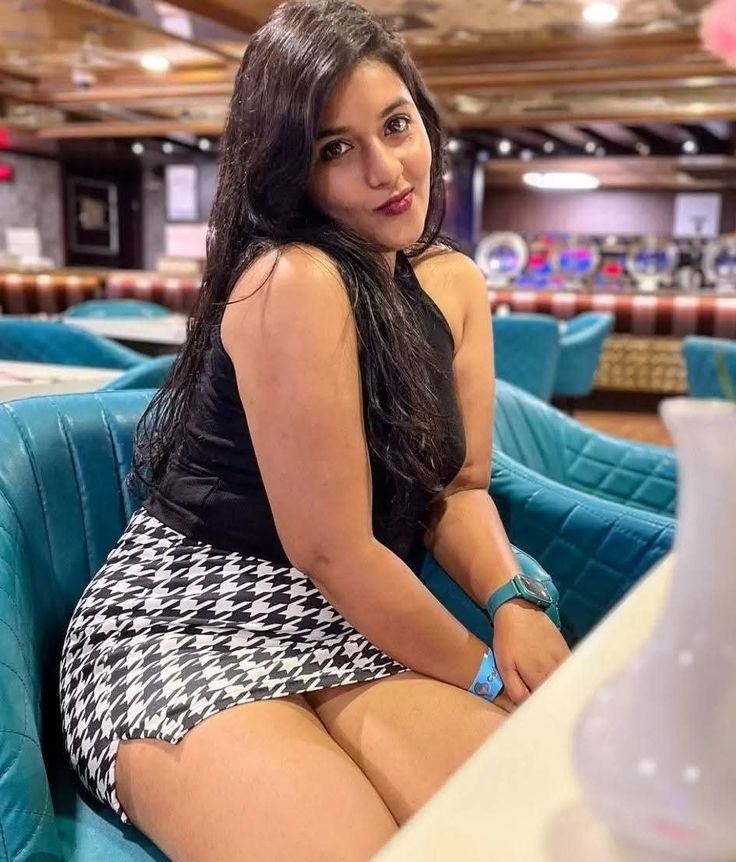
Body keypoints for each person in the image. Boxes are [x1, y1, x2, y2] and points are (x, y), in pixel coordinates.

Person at [59, 1, 570, 859]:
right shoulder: (292, 279)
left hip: (352, 620)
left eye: (396, 125)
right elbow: (332, 550)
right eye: (336, 149)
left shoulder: (453, 283)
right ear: (287, 171)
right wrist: (485, 674)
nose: (386, 169)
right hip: (187, 622)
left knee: (528, 823)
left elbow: (459, 487)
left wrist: (511, 601)